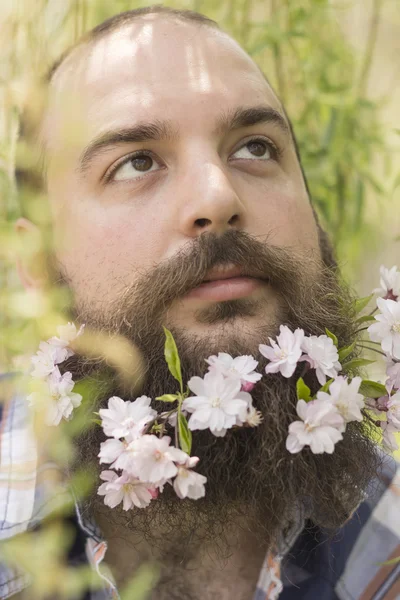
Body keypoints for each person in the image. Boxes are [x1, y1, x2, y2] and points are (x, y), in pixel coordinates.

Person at [1, 6, 399, 600]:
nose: (218, 194)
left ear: (316, 228)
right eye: (136, 162)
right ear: (38, 272)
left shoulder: (385, 542)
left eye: (256, 148)